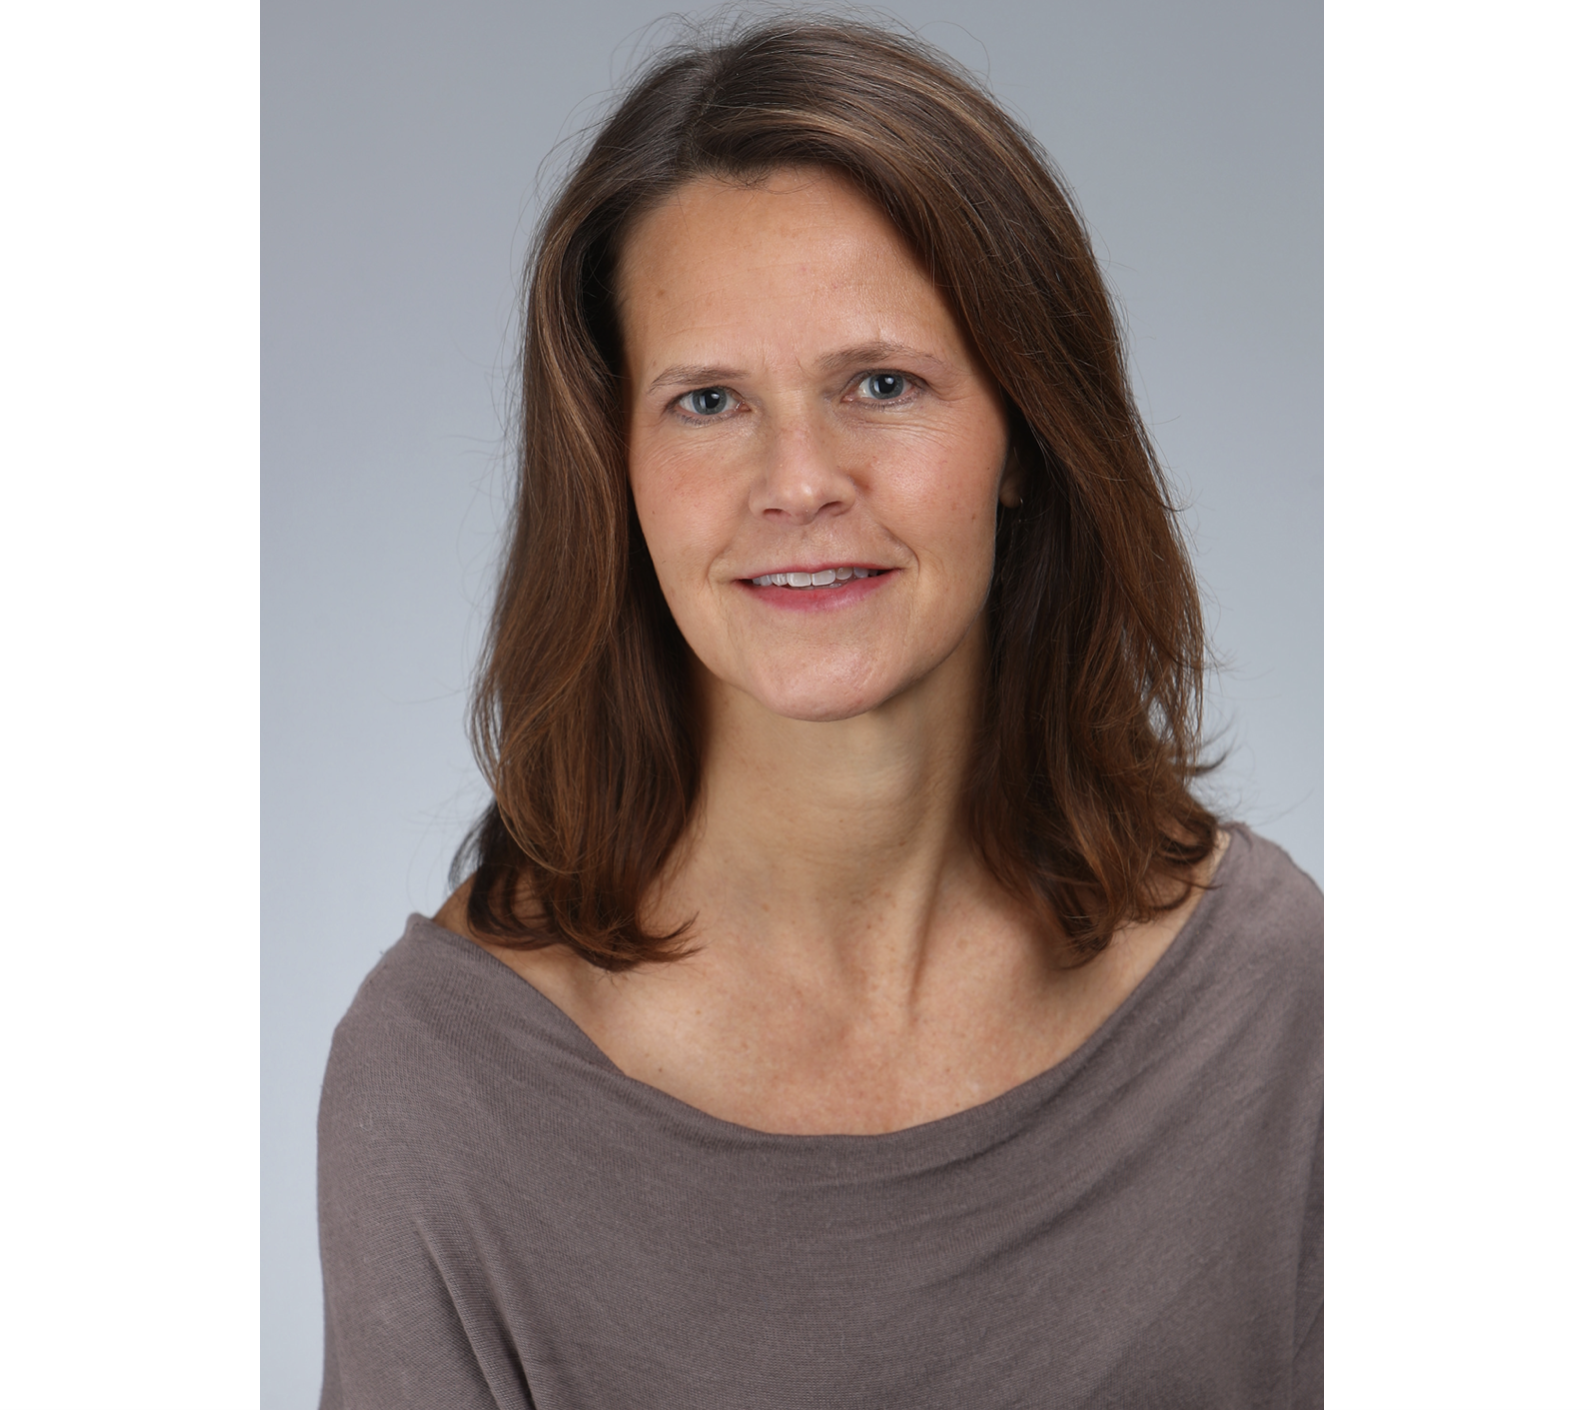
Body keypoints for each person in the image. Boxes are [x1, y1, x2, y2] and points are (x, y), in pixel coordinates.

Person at [317, 18, 1322, 1408]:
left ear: (1025, 435)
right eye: (708, 398)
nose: (798, 479)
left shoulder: (1281, 1005)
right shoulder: (440, 1082)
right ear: (614, 468)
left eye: (880, 384)